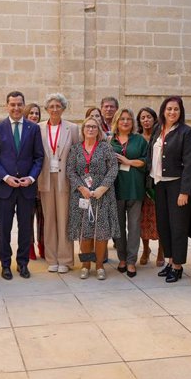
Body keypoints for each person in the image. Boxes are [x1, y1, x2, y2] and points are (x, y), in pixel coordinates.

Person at [0, 91, 44, 280]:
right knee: (4, 228)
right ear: (7, 106)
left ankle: (23, 263)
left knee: (25, 228)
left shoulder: (33, 128)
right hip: (5, 188)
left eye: (19, 104)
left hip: (26, 188)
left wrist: (31, 178)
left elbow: (39, 157)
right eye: (12, 104)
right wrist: (5, 177)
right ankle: (5, 264)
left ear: (24, 105)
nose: (16, 108)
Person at [146, 96, 191, 283]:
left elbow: (190, 164)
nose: (172, 112)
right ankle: (169, 261)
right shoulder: (158, 129)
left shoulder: (187, 132)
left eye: (176, 109)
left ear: (180, 111)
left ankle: (178, 265)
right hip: (159, 184)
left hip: (177, 185)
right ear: (163, 111)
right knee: (164, 226)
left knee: (178, 226)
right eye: (169, 109)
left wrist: (185, 191)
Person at [66, 116, 120, 280]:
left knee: (101, 232)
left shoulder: (105, 148)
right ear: (83, 130)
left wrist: (102, 189)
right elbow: (70, 170)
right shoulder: (75, 149)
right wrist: (82, 188)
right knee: (85, 232)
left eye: (94, 127)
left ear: (98, 131)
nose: (90, 129)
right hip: (81, 196)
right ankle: (86, 265)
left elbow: (113, 169)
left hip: (102, 196)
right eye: (87, 127)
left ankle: (100, 266)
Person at [37, 93, 79, 273]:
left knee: (64, 219)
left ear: (63, 108)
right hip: (45, 177)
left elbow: (77, 154)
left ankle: (66, 259)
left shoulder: (73, 128)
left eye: (58, 106)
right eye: (51, 106)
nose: (54, 109)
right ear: (46, 109)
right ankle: (52, 258)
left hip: (65, 179)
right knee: (49, 219)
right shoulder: (37, 128)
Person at [110, 108, 147, 278]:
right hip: (115, 190)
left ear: (133, 122)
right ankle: (122, 259)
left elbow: (146, 162)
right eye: (122, 119)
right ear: (116, 122)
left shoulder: (139, 141)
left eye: (129, 119)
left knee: (133, 227)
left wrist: (128, 161)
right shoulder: (110, 142)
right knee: (118, 227)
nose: (125, 122)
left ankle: (131, 261)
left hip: (134, 188)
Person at [136, 107, 163, 267]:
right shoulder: (137, 138)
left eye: (148, 117)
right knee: (143, 220)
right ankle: (145, 250)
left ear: (155, 119)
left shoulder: (161, 136)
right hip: (140, 183)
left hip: (157, 183)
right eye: (142, 117)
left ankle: (161, 250)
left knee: (160, 219)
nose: (146, 120)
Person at [24, 103, 45, 260]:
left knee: (43, 216)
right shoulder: (22, 132)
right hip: (27, 181)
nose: (34, 116)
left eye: (37, 113)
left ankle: (42, 244)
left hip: (43, 180)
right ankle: (29, 245)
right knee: (28, 216)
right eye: (31, 113)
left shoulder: (43, 132)